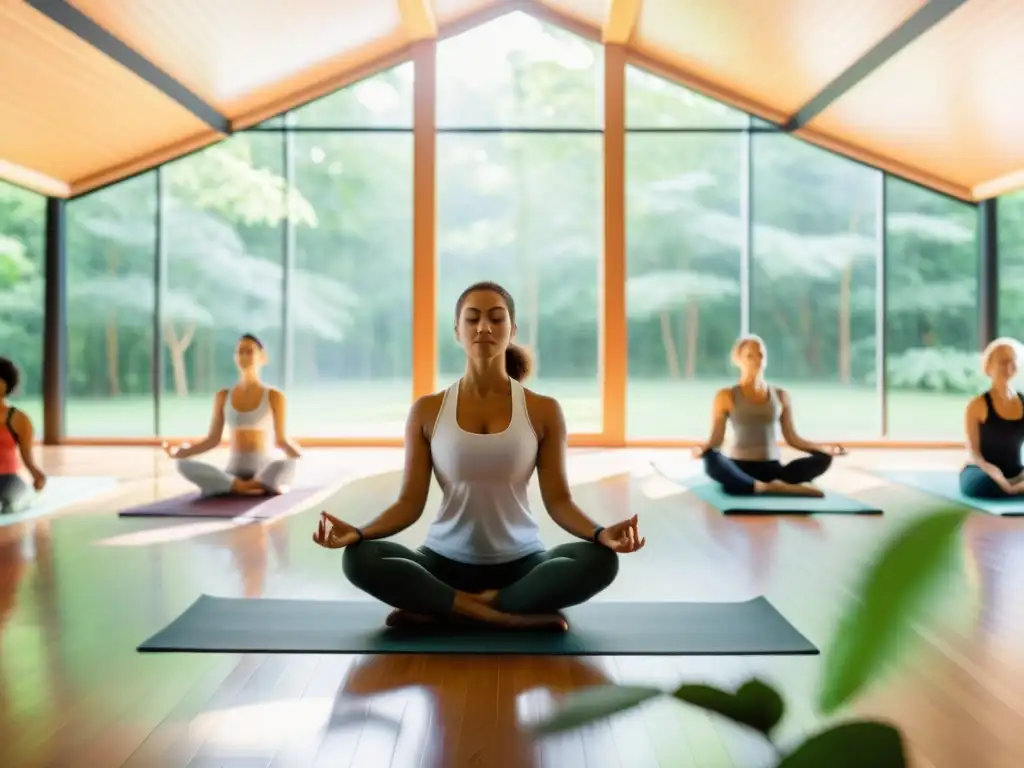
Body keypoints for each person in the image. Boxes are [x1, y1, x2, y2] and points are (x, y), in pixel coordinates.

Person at [313, 281, 644, 632]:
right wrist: (360, 533)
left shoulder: (543, 410)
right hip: (442, 563)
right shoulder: (428, 411)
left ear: (511, 330)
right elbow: (409, 503)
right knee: (360, 558)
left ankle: (447, 607)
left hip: (521, 566)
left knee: (599, 561)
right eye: (472, 319)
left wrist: (600, 533)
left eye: (496, 319)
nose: (483, 327)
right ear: (457, 331)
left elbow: (560, 501)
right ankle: (499, 615)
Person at [693, 334, 845, 497]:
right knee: (712, 458)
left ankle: (763, 486)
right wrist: (703, 449)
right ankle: (765, 487)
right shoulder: (726, 395)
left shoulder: (780, 395)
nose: (757, 360)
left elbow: (792, 438)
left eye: (761, 355)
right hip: (739, 468)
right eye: (750, 356)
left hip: (773, 469)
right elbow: (717, 439)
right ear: (738, 360)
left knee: (824, 458)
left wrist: (824, 450)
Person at [163, 334, 300, 497]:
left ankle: (238, 486)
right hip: (233, 471)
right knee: (182, 465)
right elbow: (212, 440)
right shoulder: (223, 396)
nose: (244, 356)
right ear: (235, 357)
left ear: (263, 358)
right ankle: (245, 486)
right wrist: (182, 452)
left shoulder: (275, 396)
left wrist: (301, 459)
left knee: (289, 464)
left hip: (263, 469)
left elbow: (282, 441)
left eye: (249, 351)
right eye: (240, 352)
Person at [961, 338, 1024, 498]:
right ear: (989, 367)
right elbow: (974, 454)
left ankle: (1013, 489)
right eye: (1003, 362)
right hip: (983, 471)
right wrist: (994, 473)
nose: (1008, 366)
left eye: (1012, 361)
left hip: (1016, 472)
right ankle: (1010, 489)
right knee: (982, 484)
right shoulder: (976, 405)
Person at [0, 357, 47, 515]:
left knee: (10, 504)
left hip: (8, 478)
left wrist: (36, 475)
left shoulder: (18, 419)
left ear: (7, 385)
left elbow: (27, 456)